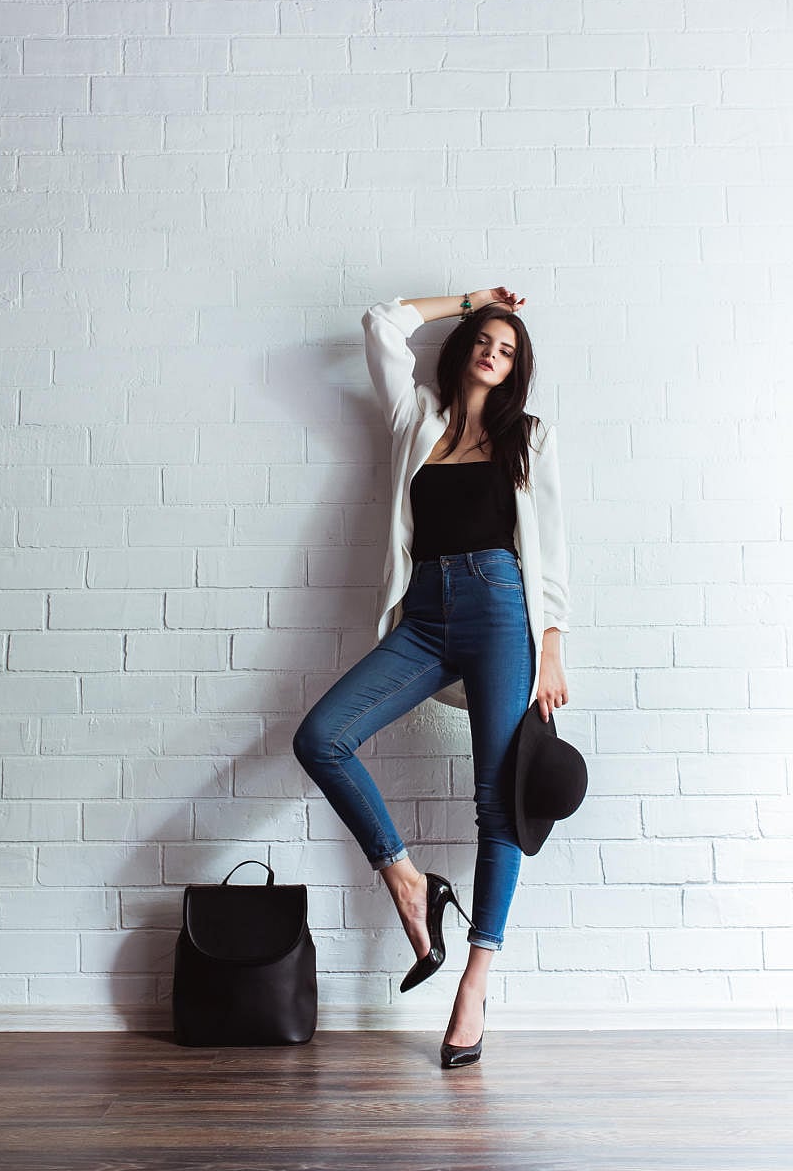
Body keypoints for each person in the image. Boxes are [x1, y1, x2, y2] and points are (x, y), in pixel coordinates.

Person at [292, 287, 570, 1067]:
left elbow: (553, 551)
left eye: (508, 348)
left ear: (518, 369)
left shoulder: (530, 437)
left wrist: (551, 648)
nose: (493, 352)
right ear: (462, 346)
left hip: (500, 608)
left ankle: (476, 979)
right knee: (322, 738)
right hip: (423, 615)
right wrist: (473, 298)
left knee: (496, 801)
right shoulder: (418, 418)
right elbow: (380, 325)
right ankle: (410, 883)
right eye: (484, 338)